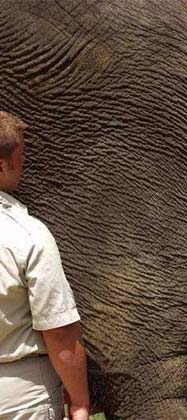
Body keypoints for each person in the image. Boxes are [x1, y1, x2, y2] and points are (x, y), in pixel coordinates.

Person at [0, 112, 89, 420]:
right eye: (20, 157)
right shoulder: (27, 234)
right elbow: (60, 333)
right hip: (19, 399)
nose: (23, 166)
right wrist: (79, 400)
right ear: (2, 165)